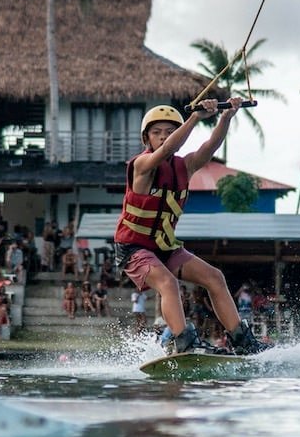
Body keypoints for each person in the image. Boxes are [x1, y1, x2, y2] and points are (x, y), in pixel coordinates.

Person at [111, 99, 268, 355]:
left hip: (164, 246)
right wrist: (195, 118)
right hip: (133, 247)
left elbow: (209, 148)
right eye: (157, 132)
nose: (163, 138)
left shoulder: (184, 166)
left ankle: (243, 341)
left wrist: (226, 116)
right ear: (146, 139)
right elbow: (165, 151)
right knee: (168, 283)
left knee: (214, 277)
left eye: (169, 132)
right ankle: (182, 341)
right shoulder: (140, 166)